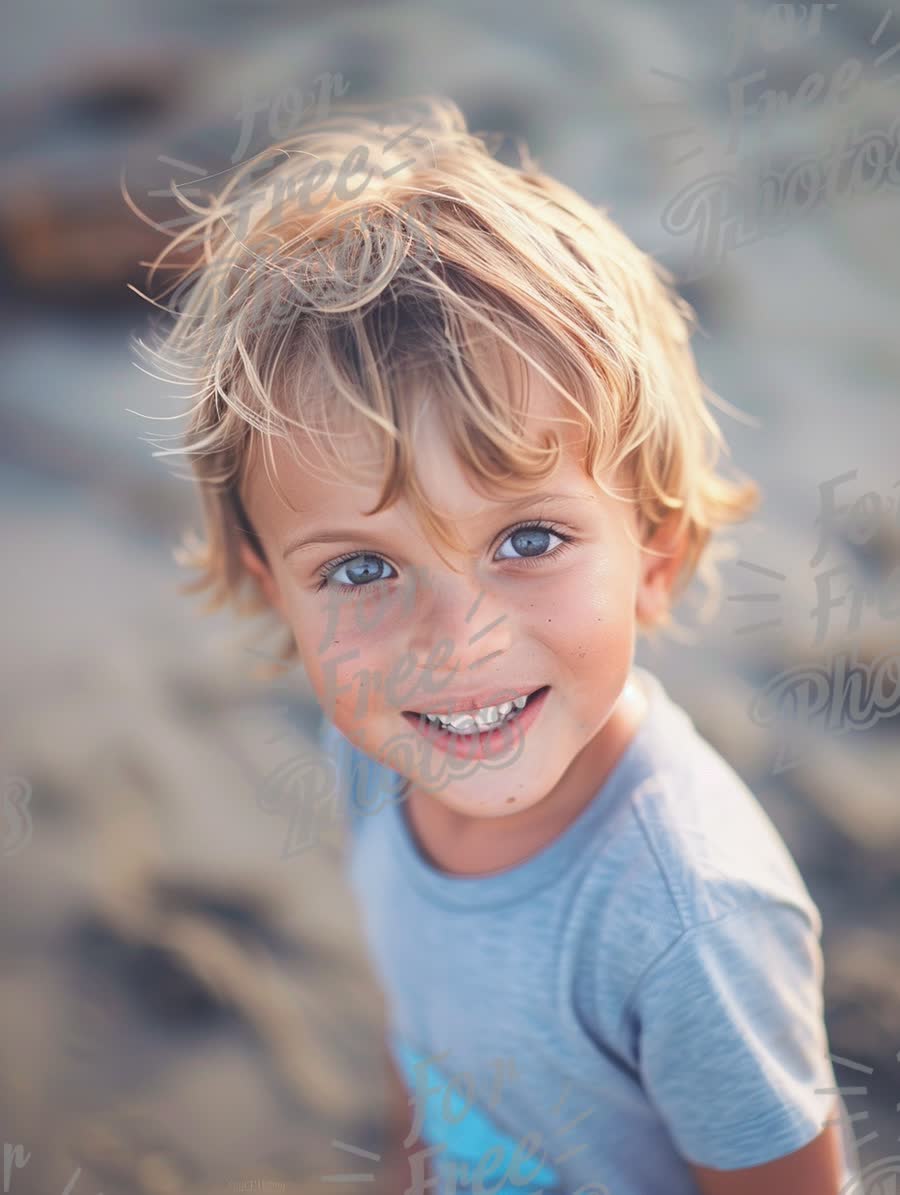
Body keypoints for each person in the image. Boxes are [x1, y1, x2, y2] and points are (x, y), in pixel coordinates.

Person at [138, 94, 860, 1194]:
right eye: (362, 567)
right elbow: (426, 1028)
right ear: (269, 585)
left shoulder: (688, 919)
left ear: (655, 555)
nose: (456, 641)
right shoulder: (380, 748)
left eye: (528, 537)